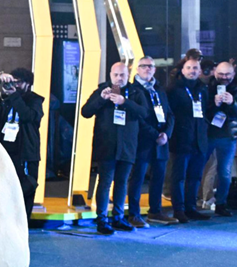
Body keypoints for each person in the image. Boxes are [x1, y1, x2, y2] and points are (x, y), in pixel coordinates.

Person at [80, 62, 148, 235]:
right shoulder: (102, 91)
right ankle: (102, 219)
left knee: (122, 182)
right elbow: (85, 112)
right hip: (107, 145)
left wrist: (124, 102)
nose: (119, 78)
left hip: (127, 146)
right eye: (116, 75)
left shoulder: (136, 92)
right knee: (105, 182)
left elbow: (144, 113)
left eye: (122, 75)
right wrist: (101, 99)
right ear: (110, 75)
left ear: (128, 75)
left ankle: (118, 217)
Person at [0, 68, 44, 220]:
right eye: (13, 81)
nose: (15, 85)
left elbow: (27, 115)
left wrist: (15, 95)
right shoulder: (5, 99)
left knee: (26, 190)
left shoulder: (35, 100)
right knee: (5, 189)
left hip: (25, 153)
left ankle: (23, 223)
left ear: (28, 84)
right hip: (6, 152)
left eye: (19, 82)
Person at [128, 57, 175, 226]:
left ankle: (155, 211)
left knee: (159, 177)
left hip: (161, 141)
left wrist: (166, 134)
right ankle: (133, 214)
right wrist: (155, 134)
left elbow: (169, 113)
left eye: (151, 66)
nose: (147, 69)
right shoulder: (133, 90)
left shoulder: (159, 89)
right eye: (143, 66)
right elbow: (137, 117)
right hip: (143, 140)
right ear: (137, 69)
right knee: (138, 178)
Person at [168, 54, 210, 223]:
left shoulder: (202, 89)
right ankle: (178, 209)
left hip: (199, 140)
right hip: (181, 139)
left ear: (200, 71)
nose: (192, 71)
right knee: (178, 177)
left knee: (195, 176)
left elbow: (205, 112)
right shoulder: (173, 89)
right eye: (189, 68)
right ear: (182, 70)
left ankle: (191, 208)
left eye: (195, 68)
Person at [205, 61, 237, 217]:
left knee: (224, 172)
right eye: (221, 74)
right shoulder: (207, 88)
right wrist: (214, 104)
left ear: (233, 74)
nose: (224, 78)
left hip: (228, 136)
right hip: (208, 134)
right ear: (215, 73)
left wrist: (232, 103)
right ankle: (193, 202)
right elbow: (202, 113)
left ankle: (221, 203)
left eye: (227, 75)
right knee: (197, 169)